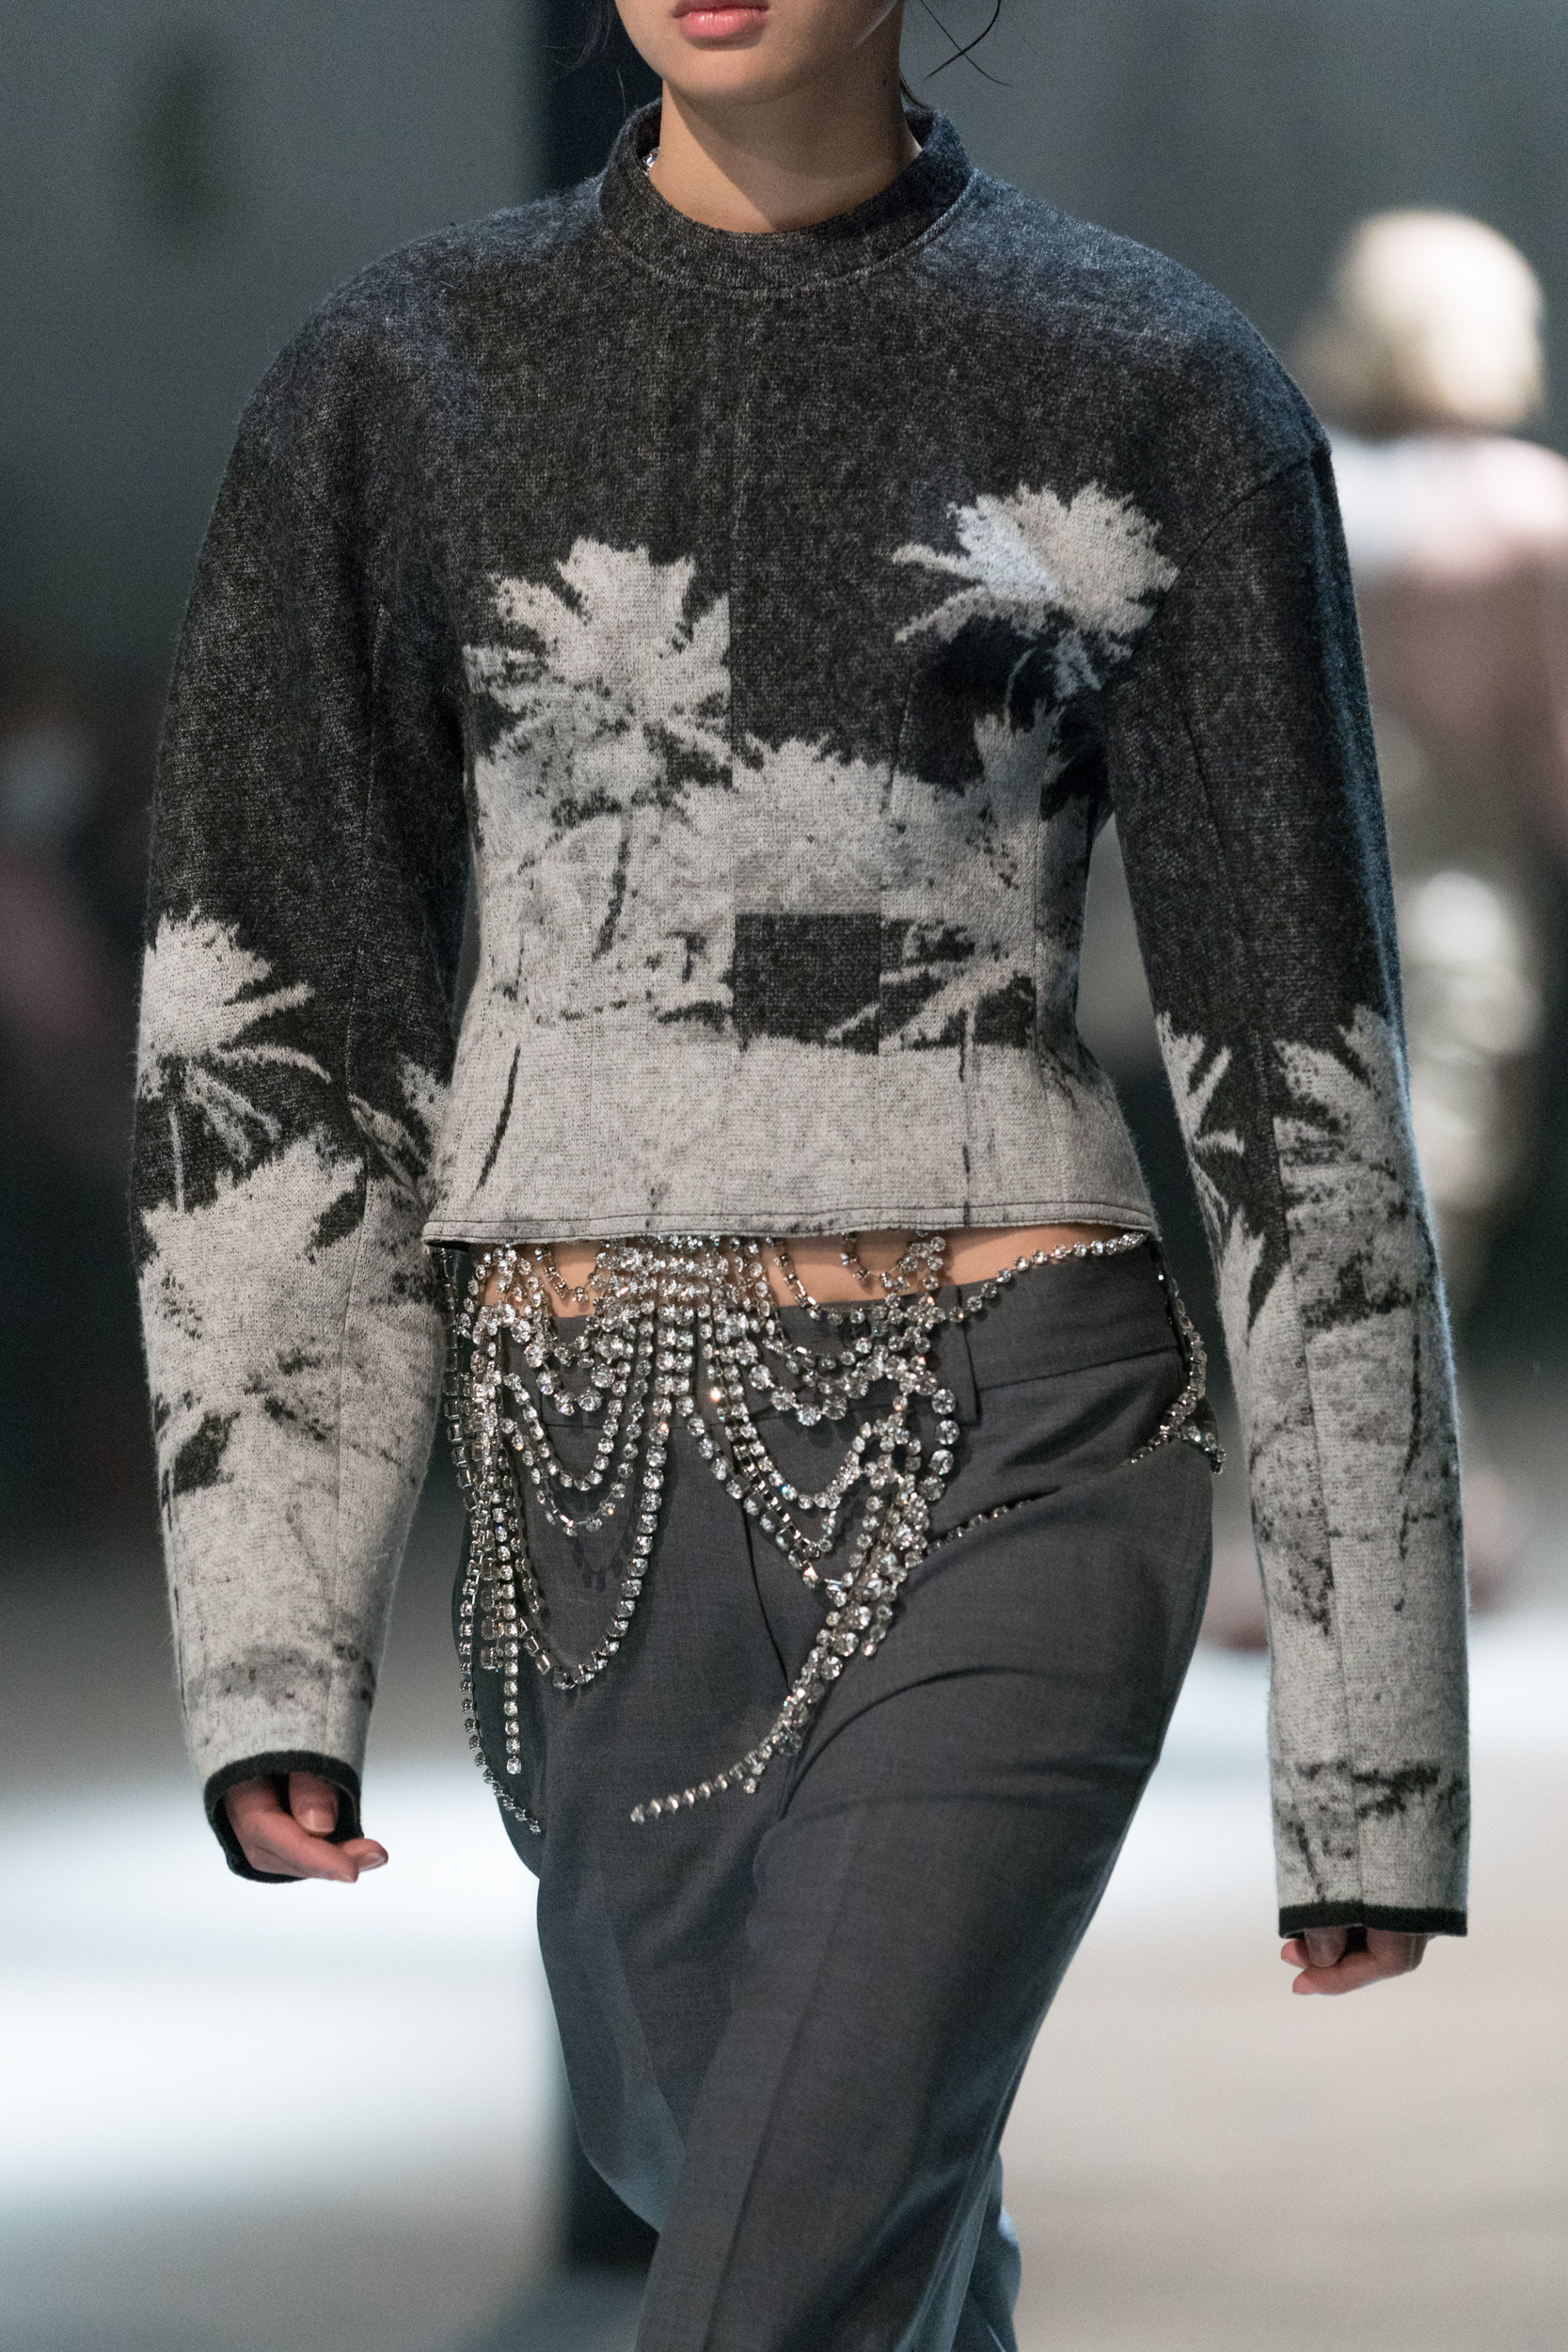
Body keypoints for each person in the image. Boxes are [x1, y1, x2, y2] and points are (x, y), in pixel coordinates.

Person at [132, 6, 1468, 2344]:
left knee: (772, 2273)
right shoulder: (400, 374)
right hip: (589, 1489)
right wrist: (269, 1630)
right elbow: (283, 1003)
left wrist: (1372, 1741)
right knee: (775, 2192)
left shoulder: (1149, 376)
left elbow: (1302, 1053)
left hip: (1024, 1429)